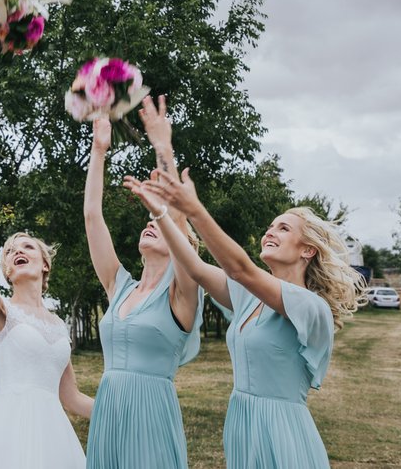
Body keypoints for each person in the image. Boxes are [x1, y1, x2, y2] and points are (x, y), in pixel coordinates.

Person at [124, 96, 365, 469]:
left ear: (307, 251)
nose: (270, 232)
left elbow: (240, 269)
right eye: (270, 226)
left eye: (283, 228)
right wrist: (163, 165)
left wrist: (194, 209)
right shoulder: (248, 298)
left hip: (283, 433)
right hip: (243, 428)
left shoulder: (307, 306)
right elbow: (191, 263)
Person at [83, 117, 204, 469]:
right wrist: (98, 151)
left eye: (159, 224)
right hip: (109, 412)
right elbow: (93, 218)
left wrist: (163, 150)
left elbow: (179, 221)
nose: (151, 223)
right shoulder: (119, 286)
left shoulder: (182, 294)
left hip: (151, 414)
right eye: (149, 221)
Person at [0, 178, 91, 469]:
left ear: (45, 264)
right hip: (10, 430)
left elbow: (71, 397)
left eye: (27, 247)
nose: (17, 251)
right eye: (10, 252)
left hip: (54, 434)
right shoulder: (0, 311)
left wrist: (120, 410)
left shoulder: (59, 326)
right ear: (7, 270)